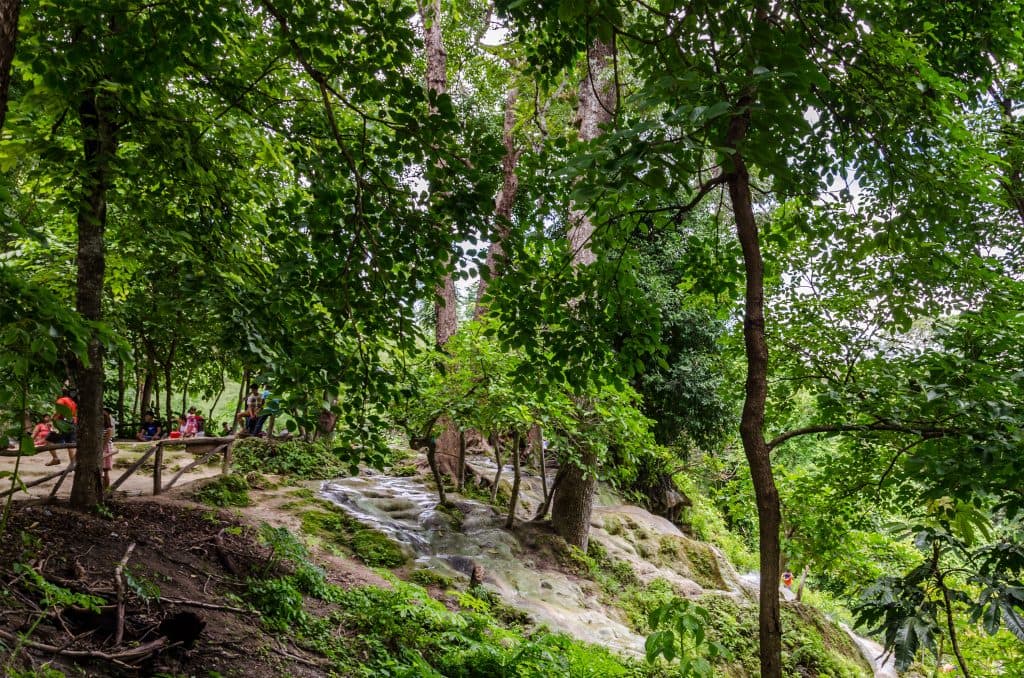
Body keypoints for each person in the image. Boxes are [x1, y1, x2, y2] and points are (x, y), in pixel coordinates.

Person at [45, 388, 77, 465]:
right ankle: (72, 464)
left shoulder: (61, 400)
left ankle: (55, 458)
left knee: (48, 441)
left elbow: (59, 413)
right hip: (72, 424)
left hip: (63, 424)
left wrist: (53, 420)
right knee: (71, 445)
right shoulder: (72, 402)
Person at [102, 408, 117, 488]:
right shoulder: (98, 429)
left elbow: (106, 441)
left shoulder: (108, 429)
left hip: (106, 449)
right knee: (99, 471)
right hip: (100, 448)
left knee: (105, 471)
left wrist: (101, 450)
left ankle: (106, 489)